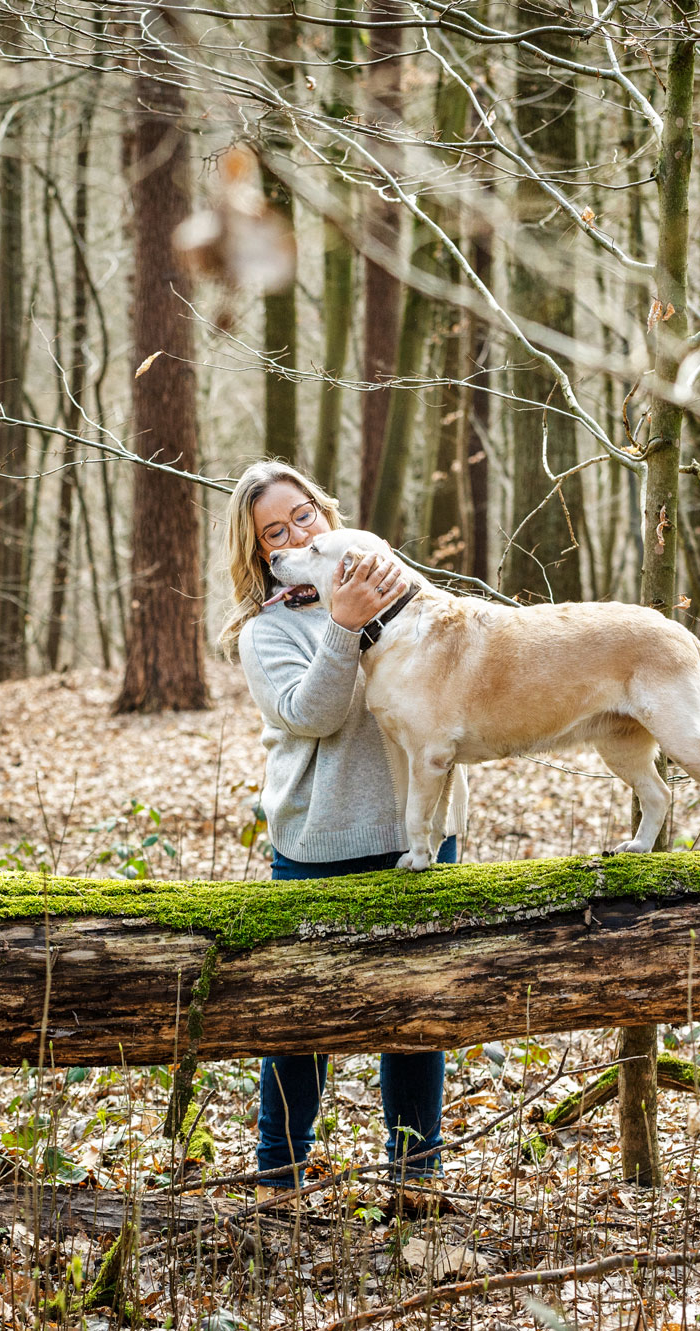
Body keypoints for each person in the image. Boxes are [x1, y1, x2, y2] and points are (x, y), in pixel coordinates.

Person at [221, 459, 456, 1196]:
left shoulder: (394, 576)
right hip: (319, 844)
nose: (294, 533)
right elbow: (313, 714)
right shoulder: (265, 631)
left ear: (324, 513)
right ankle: (279, 1180)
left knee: (416, 1022)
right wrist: (346, 628)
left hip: (418, 833)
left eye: (303, 516)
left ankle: (417, 1182)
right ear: (261, 552)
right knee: (301, 1026)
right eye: (273, 531)